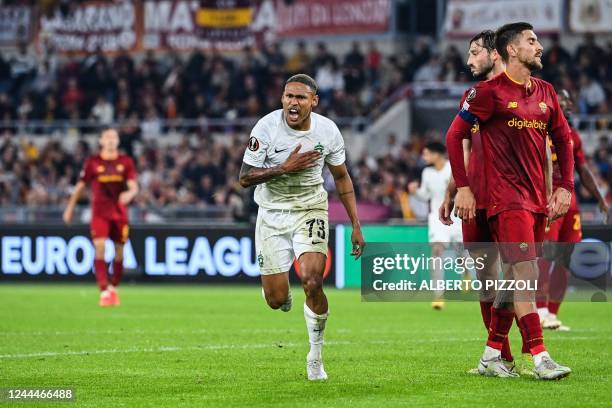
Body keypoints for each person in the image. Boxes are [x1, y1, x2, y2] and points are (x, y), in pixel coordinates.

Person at [446, 22, 574, 380]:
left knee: (511, 279)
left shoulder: (546, 92)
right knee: (521, 274)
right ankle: (539, 355)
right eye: (532, 41)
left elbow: (563, 141)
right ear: (512, 50)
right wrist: (462, 188)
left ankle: (491, 355)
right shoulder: (487, 94)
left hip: (535, 200)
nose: (539, 46)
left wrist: (564, 186)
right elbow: (456, 137)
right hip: (504, 199)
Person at [239, 74, 365, 381]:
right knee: (275, 300)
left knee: (312, 280)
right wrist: (284, 168)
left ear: (314, 101)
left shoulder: (328, 131)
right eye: (288, 96)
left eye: (300, 98)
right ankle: (285, 299)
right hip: (271, 213)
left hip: (310, 209)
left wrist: (355, 224)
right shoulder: (266, 128)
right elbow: (244, 177)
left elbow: (341, 177)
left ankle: (315, 356)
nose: (292, 103)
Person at [439, 30, 531, 373]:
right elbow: (462, 147)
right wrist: (453, 190)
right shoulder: (472, 95)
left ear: (495, 54)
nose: (469, 61)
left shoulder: (524, 95)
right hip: (472, 200)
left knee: (520, 274)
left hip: (512, 199)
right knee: (487, 279)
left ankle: (535, 349)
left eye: (475, 52)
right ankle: (501, 358)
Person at [536, 89, 610, 330]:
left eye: (569, 99)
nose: (567, 103)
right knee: (547, 255)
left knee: (566, 258)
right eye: (561, 99)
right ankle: (540, 310)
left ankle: (553, 315)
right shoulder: (536, 129)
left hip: (571, 203)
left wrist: (600, 198)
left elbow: (583, 170)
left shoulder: (573, 135)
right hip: (548, 198)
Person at [63, 128, 138, 307]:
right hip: (100, 213)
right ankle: (104, 291)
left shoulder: (125, 162)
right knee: (100, 246)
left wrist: (130, 194)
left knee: (120, 251)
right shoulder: (93, 162)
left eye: (114, 137)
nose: (111, 140)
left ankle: (114, 288)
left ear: (118, 141)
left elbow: (134, 186)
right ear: (101, 141)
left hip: (119, 213)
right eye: (108, 137)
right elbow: (80, 186)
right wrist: (69, 208)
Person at [409, 141, 462, 309]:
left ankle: (466, 273)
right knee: (437, 250)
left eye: (426, 153)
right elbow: (426, 195)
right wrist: (415, 192)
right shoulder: (427, 172)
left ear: (436, 154)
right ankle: (438, 295)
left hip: (457, 216)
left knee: (462, 252)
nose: (423, 157)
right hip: (437, 218)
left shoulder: (453, 168)